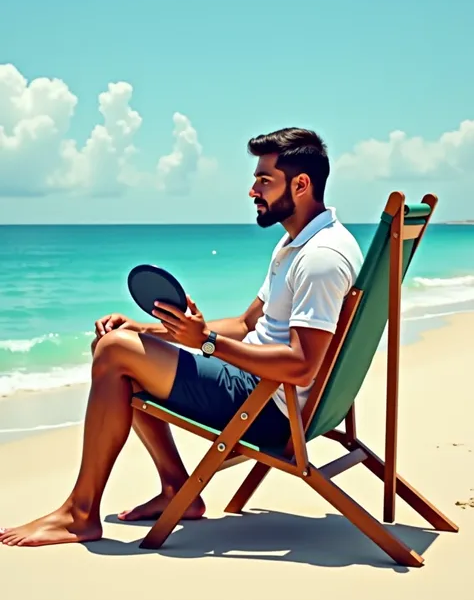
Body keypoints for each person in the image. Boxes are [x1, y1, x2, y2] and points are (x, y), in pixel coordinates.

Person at [0, 127, 363, 548]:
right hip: (260, 384)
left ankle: (80, 514)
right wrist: (156, 330)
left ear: (301, 185)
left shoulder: (320, 259)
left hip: (270, 408)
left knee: (115, 353)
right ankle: (176, 489)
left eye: (264, 180)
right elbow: (248, 324)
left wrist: (206, 342)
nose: (252, 191)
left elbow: (301, 367)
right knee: (118, 341)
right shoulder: (301, 242)